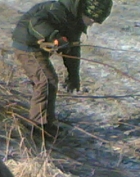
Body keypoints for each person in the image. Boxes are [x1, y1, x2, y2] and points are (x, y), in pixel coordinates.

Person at [12, 0, 113, 137]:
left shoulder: (76, 20)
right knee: (46, 81)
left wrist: (73, 76)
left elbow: (72, 50)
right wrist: (55, 37)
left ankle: (46, 122)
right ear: (85, 11)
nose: (92, 23)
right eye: (92, 20)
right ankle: (37, 128)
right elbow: (35, 22)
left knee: (48, 82)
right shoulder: (59, 10)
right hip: (27, 44)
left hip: (37, 46)